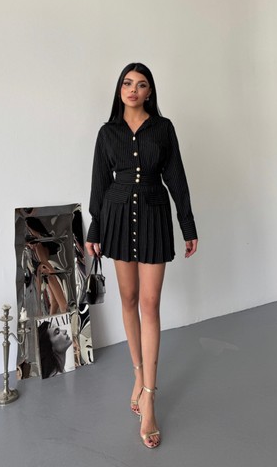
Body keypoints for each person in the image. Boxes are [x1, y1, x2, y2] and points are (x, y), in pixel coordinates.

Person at [85, 63, 198, 449]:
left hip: (153, 215)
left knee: (150, 304)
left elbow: (176, 177)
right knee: (129, 299)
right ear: (120, 89)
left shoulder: (163, 129)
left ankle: (150, 394)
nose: (133, 89)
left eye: (142, 84)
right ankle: (138, 373)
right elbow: (100, 183)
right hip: (116, 216)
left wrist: (187, 224)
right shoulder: (108, 133)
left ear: (150, 92)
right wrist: (95, 229)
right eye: (127, 83)